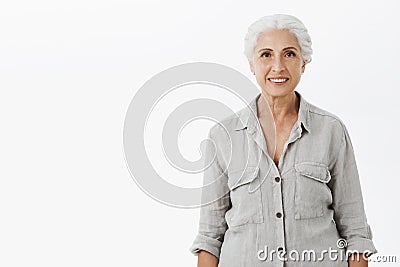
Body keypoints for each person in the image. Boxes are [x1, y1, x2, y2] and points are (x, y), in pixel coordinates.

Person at [190, 14, 377, 266]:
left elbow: (355, 231)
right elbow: (209, 237)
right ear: (251, 64)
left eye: (289, 54)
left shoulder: (331, 130)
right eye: (266, 54)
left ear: (303, 63)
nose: (277, 66)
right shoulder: (222, 136)